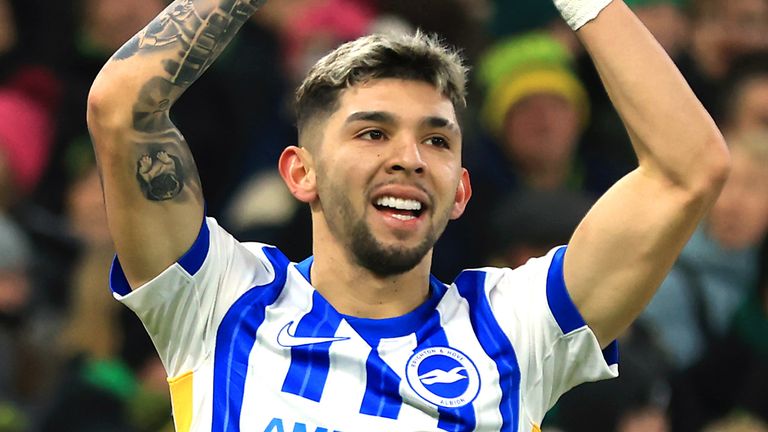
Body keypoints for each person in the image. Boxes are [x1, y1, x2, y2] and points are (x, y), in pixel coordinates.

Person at [87, 0, 729, 430]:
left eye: (438, 140)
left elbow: (687, 169)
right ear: (299, 173)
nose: (410, 158)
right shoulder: (220, 299)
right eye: (372, 133)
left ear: (461, 191)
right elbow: (122, 109)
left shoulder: (516, 327)